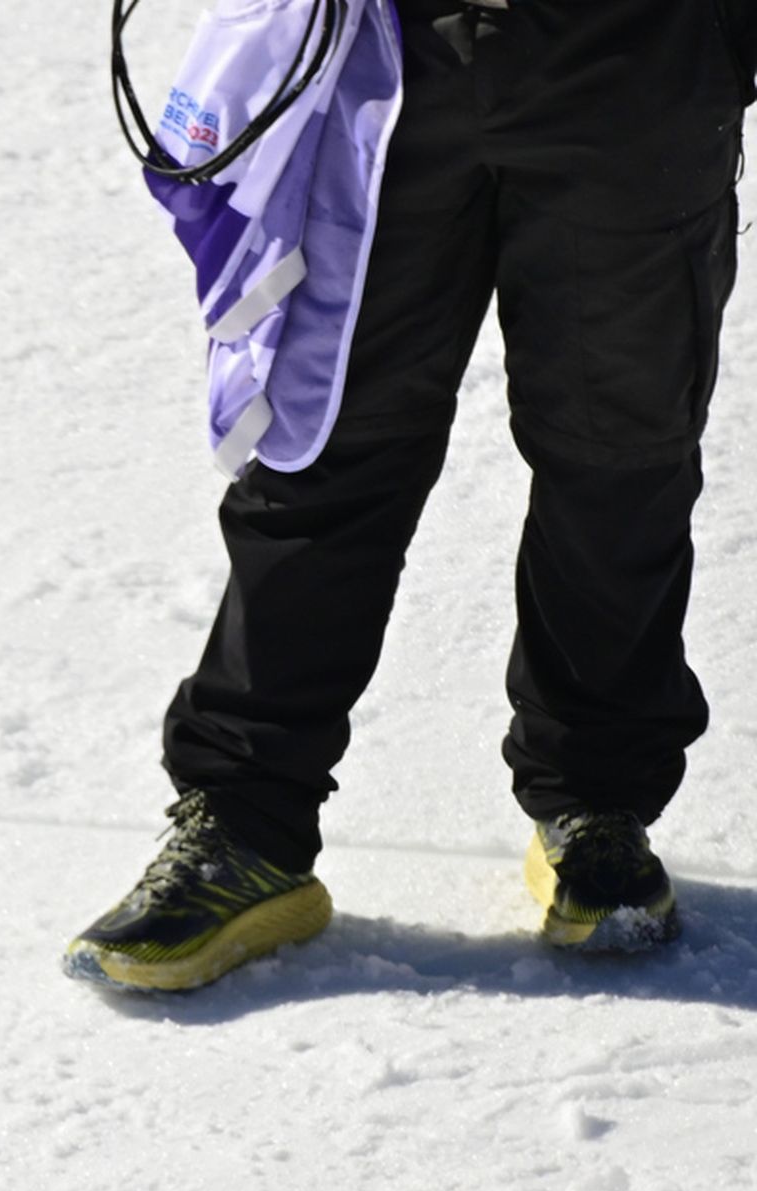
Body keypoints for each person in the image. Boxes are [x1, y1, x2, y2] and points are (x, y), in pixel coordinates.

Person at [67, 0, 753, 991]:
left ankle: (598, 808)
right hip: (390, 60)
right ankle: (246, 827)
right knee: (323, 446)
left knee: (618, 461)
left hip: (639, 62)